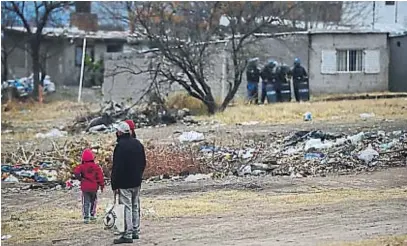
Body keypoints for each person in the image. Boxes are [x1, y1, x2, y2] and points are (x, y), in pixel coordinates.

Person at [111, 121, 147, 244]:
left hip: (124, 183)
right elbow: (143, 163)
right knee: (135, 206)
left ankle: (127, 234)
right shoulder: (138, 144)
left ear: (120, 132)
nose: (116, 132)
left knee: (126, 207)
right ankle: (136, 231)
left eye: (117, 131)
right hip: (136, 181)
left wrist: (114, 185)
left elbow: (117, 167)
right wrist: (139, 176)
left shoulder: (120, 147)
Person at [74, 149, 105, 224]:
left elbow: (76, 172)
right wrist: (101, 185)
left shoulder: (82, 166)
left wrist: (81, 179)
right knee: (93, 201)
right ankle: (92, 215)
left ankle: (86, 217)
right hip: (94, 187)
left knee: (86, 202)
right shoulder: (96, 167)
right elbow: (100, 177)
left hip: (85, 187)